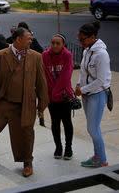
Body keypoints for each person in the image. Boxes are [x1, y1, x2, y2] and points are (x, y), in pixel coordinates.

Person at [0, 27, 48, 177]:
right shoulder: (0, 56)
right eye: (28, 38)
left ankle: (27, 162)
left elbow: (41, 83)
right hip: (2, 103)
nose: (31, 40)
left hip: (24, 105)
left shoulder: (36, 57)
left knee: (26, 134)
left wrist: (42, 105)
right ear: (18, 39)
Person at [75, 20, 111, 168]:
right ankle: (97, 156)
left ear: (92, 37)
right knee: (93, 127)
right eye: (79, 39)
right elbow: (83, 72)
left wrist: (83, 90)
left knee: (92, 128)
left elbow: (102, 80)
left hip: (97, 94)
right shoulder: (86, 50)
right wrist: (79, 84)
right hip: (87, 94)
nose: (81, 42)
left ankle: (101, 160)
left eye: (83, 39)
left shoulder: (101, 54)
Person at [42, 34, 74, 160]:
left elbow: (66, 76)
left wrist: (56, 92)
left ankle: (68, 147)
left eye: (58, 43)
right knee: (55, 123)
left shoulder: (67, 55)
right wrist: (52, 94)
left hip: (64, 95)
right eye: (53, 42)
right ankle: (58, 147)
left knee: (67, 122)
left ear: (63, 45)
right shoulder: (45, 55)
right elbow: (45, 75)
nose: (54, 45)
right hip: (51, 97)